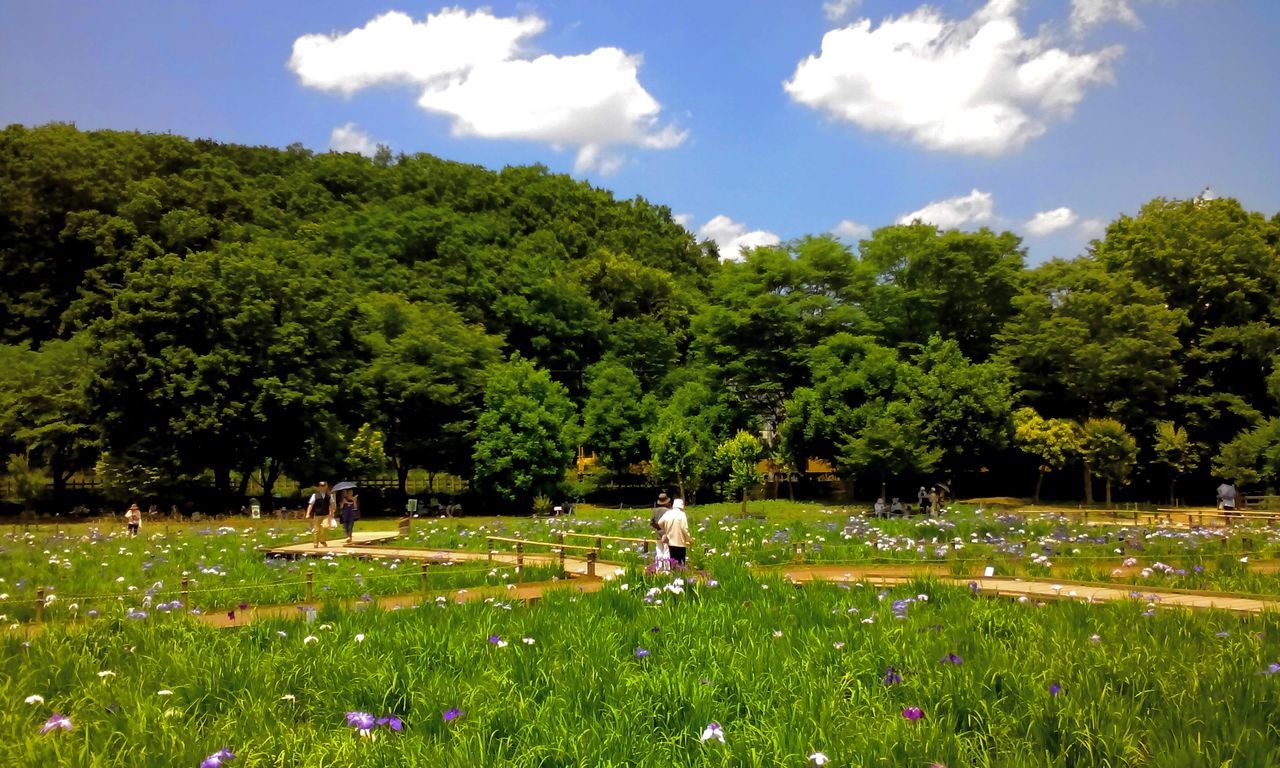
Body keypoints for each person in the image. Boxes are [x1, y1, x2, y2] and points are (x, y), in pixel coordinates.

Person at [657, 498, 692, 566]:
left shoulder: (668, 513)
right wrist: (689, 539)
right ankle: (681, 574)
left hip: (670, 541)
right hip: (680, 542)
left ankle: (673, 574)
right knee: (681, 562)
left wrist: (665, 529)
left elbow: (659, 523)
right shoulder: (682, 514)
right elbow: (684, 529)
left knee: (672, 561)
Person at [305, 481, 335, 548]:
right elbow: (311, 505)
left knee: (325, 526)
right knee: (316, 530)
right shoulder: (315, 495)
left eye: (324, 486)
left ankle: (322, 540)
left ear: (326, 486)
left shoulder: (329, 495)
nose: (322, 487)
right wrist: (308, 513)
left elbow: (332, 504)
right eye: (321, 486)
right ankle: (315, 543)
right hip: (317, 514)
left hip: (326, 514)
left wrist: (332, 513)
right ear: (319, 487)